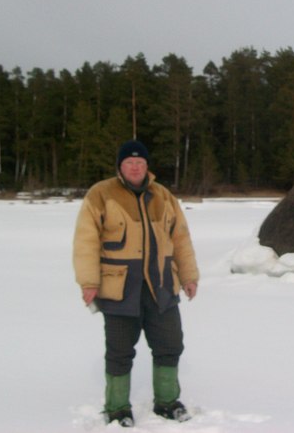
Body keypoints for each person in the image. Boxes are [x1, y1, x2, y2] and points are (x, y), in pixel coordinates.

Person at [73, 139, 200, 427]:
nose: (134, 167)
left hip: (162, 287)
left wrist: (189, 276)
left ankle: (168, 403)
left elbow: (180, 238)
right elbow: (85, 241)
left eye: (139, 162)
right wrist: (89, 282)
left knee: (170, 344)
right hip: (120, 289)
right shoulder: (101, 194)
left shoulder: (163, 196)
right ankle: (117, 408)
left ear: (147, 166)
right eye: (129, 162)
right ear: (120, 166)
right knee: (119, 350)